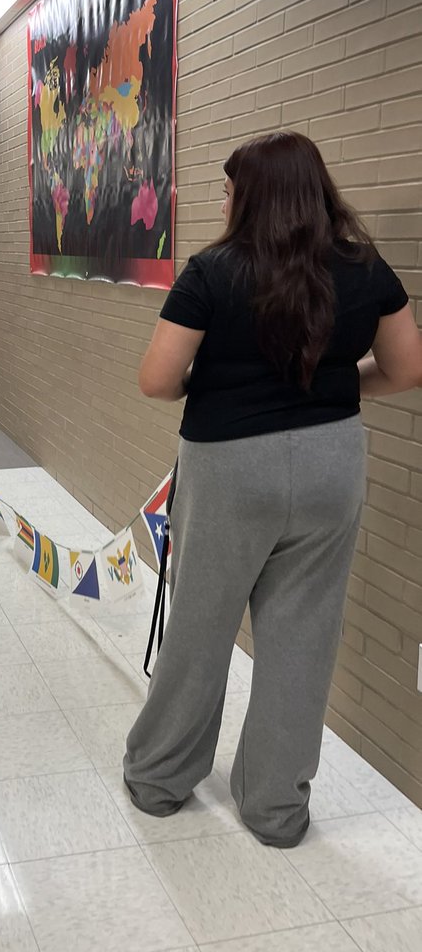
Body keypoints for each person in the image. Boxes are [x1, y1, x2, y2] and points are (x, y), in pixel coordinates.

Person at [123, 131, 422, 849]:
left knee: (201, 626)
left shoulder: (211, 272)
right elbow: (407, 368)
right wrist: (338, 391)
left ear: (253, 197)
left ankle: (161, 780)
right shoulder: (365, 268)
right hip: (332, 461)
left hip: (228, 463)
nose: (223, 200)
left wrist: (226, 390)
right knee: (302, 639)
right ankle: (276, 809)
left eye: (229, 190)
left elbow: (157, 380)